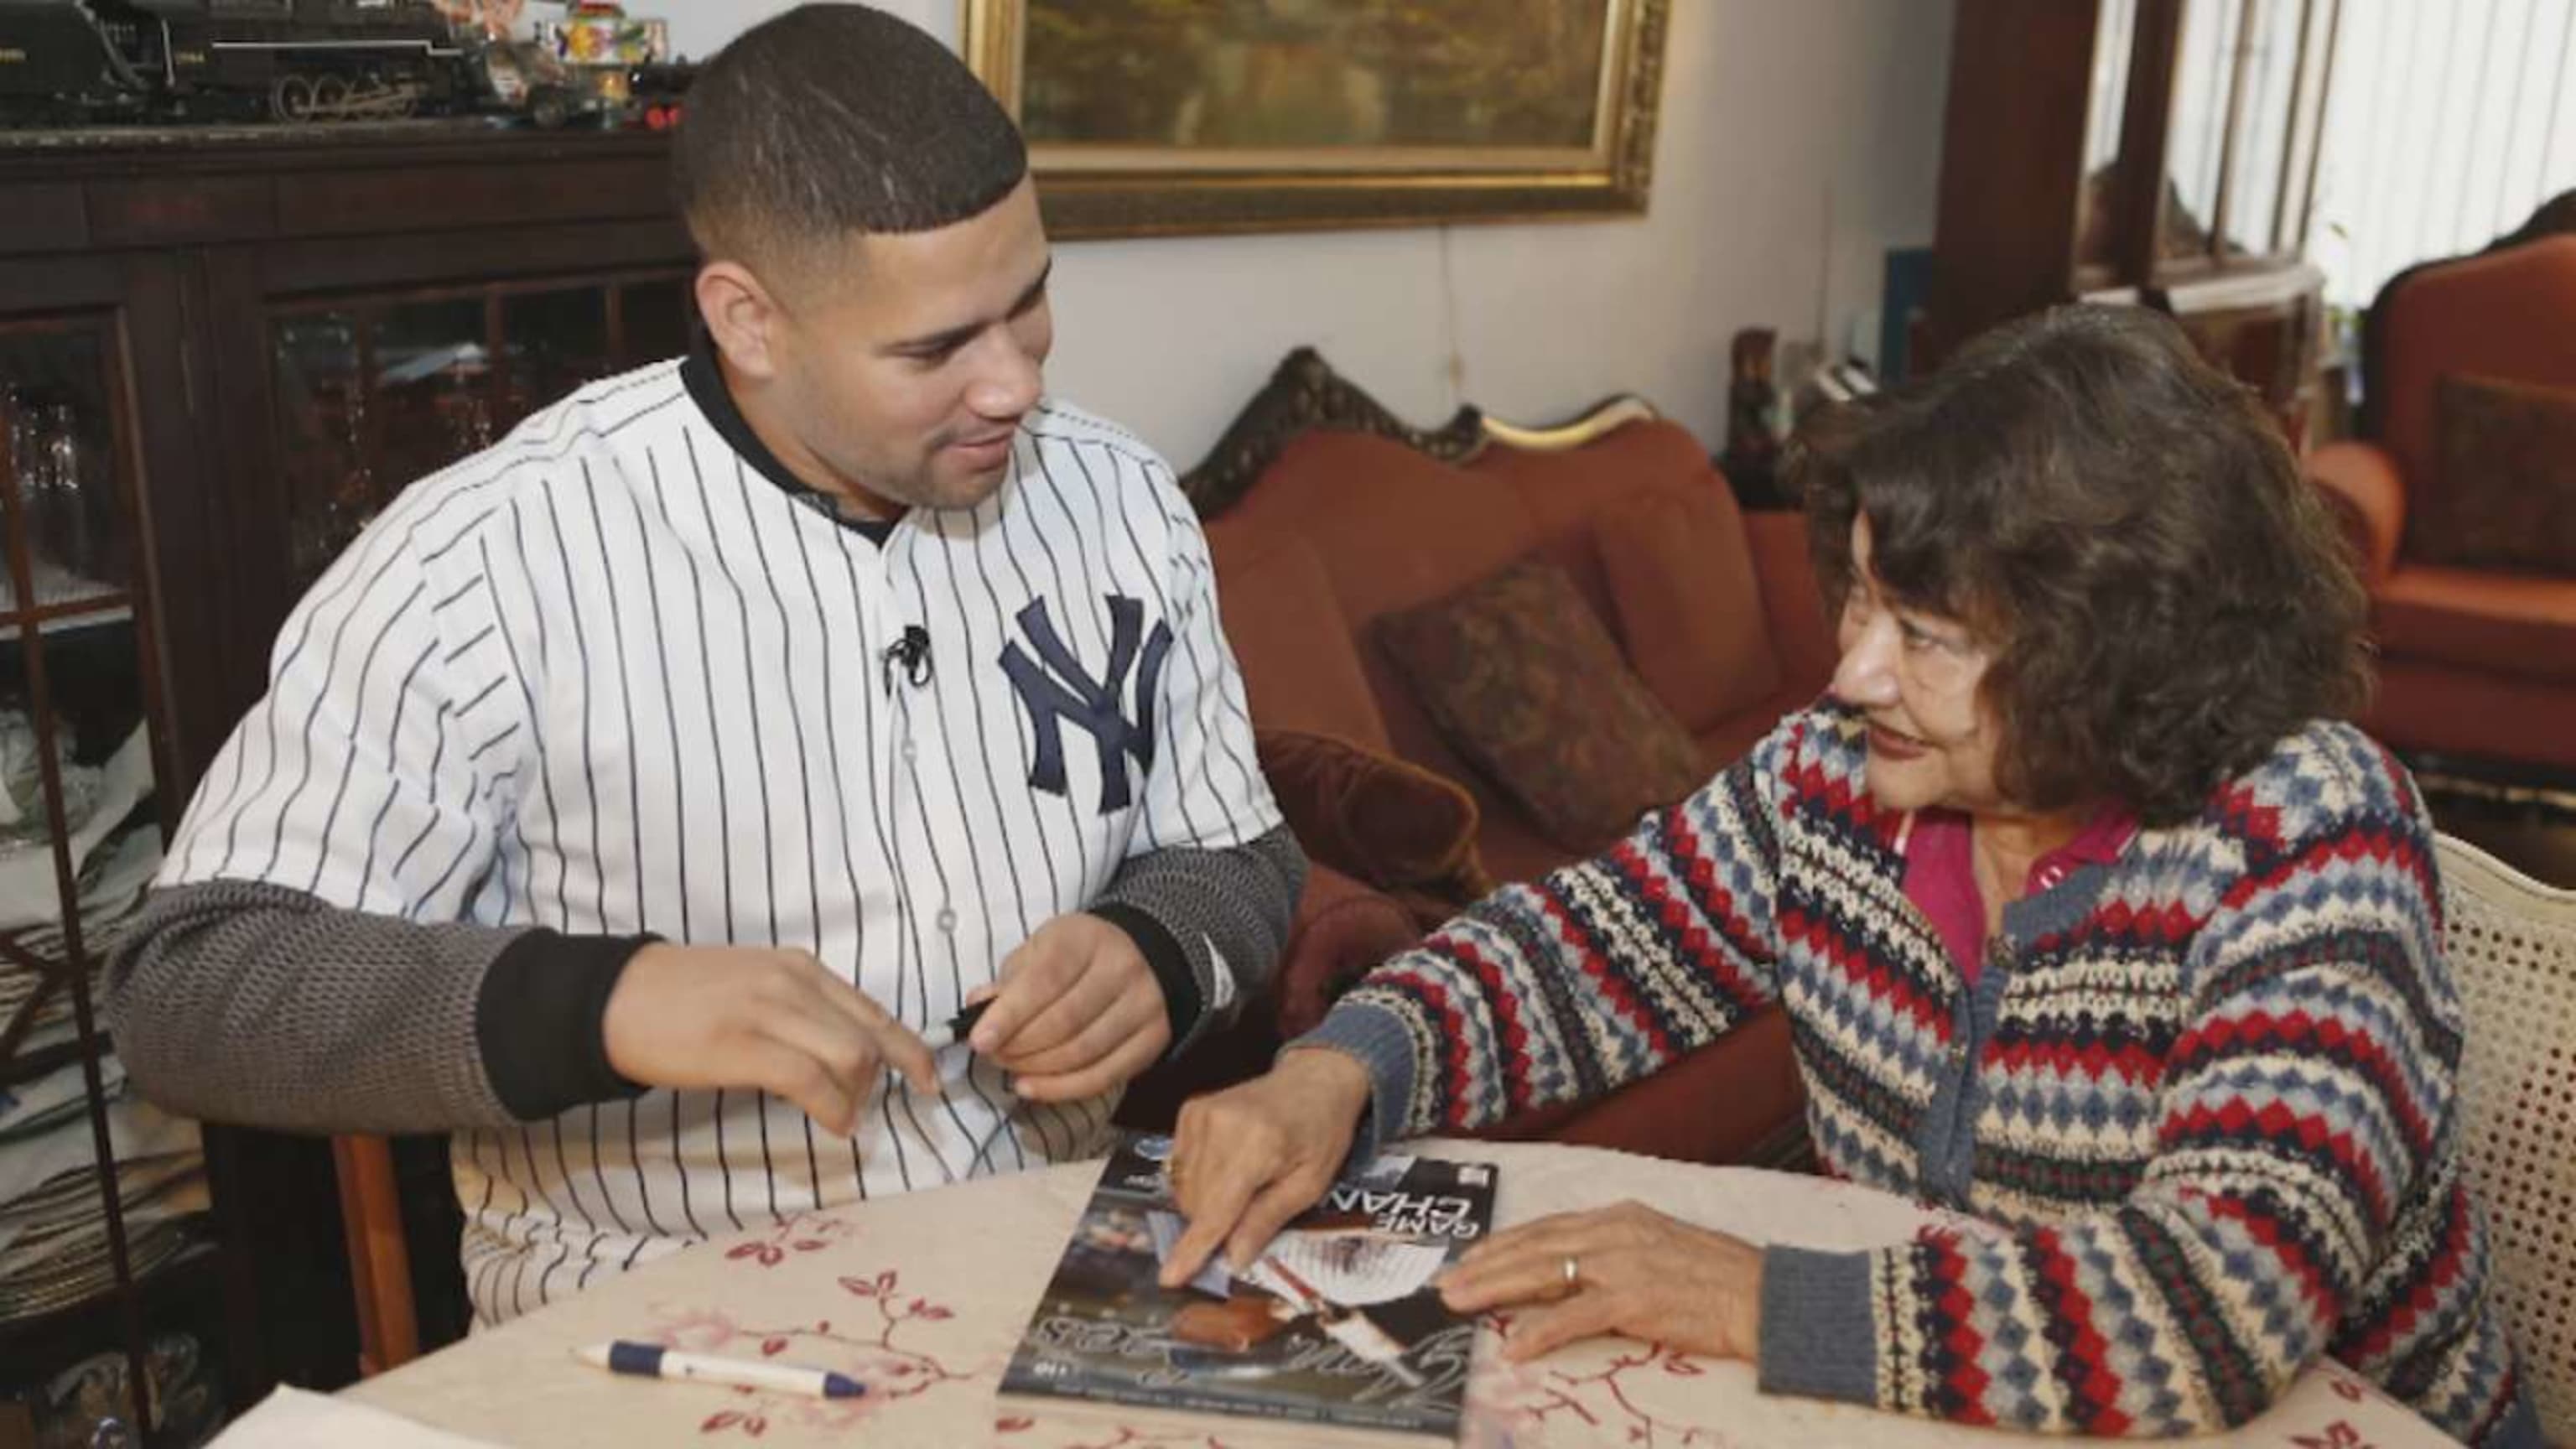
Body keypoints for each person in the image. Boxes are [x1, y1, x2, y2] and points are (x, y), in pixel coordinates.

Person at [105, 3, 1301, 1327]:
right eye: (936, 348)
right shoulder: (489, 558)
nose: (1014, 382)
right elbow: (191, 989)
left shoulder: (1118, 497)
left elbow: (1238, 855)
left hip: (1055, 1282)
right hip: (657, 1324)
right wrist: (599, 1002)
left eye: (1029, 306)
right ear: (749, 318)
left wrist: (1161, 947)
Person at [1160, 306, 2538, 1446]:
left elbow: (2218, 1304)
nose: (1850, 671)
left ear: (2122, 649)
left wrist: (1753, 1296)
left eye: (1924, 635)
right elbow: (1582, 948)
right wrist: (1339, 1068)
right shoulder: (1833, 778)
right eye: (1863, 597)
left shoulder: (2309, 832)